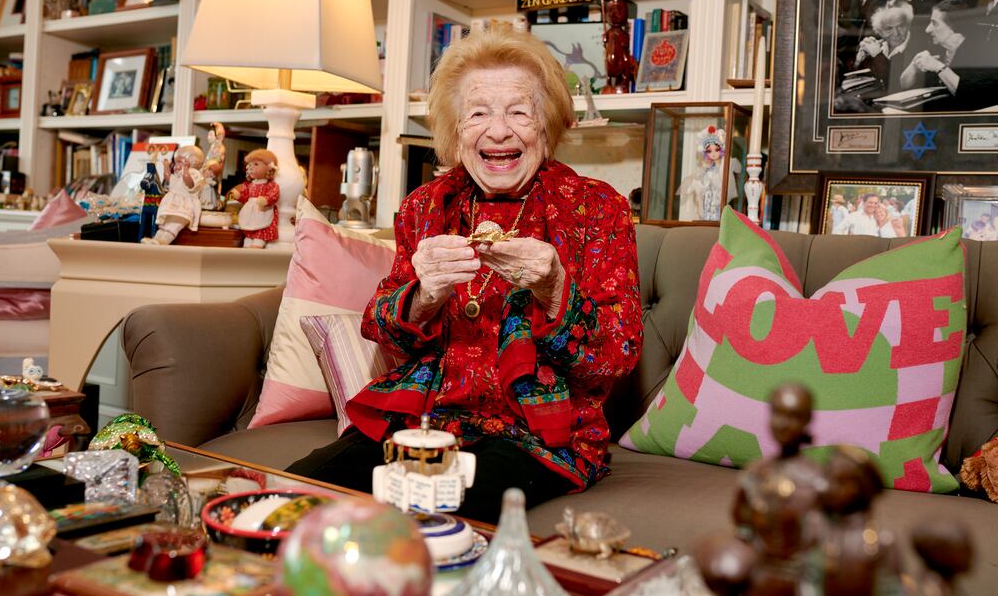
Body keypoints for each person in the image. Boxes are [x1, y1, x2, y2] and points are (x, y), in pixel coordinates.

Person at [286, 27, 644, 522]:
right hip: (424, 419)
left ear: (548, 126)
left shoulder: (596, 208)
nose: (498, 132)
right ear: (455, 132)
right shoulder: (425, 207)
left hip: (538, 434)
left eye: (519, 111)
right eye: (478, 113)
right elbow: (381, 327)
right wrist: (423, 296)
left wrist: (554, 289)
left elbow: (617, 357)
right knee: (295, 496)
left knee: (432, 520)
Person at [901, 0, 998, 111]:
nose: (927, 29)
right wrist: (913, 66)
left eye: (934, 23)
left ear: (955, 27)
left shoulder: (980, 53)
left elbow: (972, 97)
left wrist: (939, 67)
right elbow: (903, 85)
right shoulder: (934, 47)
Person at [141, 145, 204, 245]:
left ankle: (163, 241)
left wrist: (186, 169)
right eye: (175, 162)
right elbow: (168, 177)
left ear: (191, 163)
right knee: (164, 225)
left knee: (174, 225)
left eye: (179, 162)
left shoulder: (193, 173)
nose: (175, 165)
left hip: (184, 207)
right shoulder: (178, 176)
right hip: (173, 206)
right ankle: (156, 239)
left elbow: (189, 183)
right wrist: (166, 165)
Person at [677, 126, 740, 222]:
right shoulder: (706, 167)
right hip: (707, 198)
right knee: (706, 210)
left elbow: (738, 169)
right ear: (705, 152)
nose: (713, 153)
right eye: (709, 151)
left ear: (721, 149)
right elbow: (700, 181)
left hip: (719, 199)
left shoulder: (725, 164)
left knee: (717, 212)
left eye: (717, 149)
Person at [228, 149, 279, 248]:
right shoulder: (249, 185)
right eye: (250, 165)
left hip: (262, 210)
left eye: (256, 164)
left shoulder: (270, 185)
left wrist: (266, 200)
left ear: (269, 168)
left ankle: (258, 242)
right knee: (248, 232)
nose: (251, 167)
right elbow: (246, 198)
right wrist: (239, 196)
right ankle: (248, 240)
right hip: (250, 212)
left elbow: (274, 194)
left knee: (261, 226)